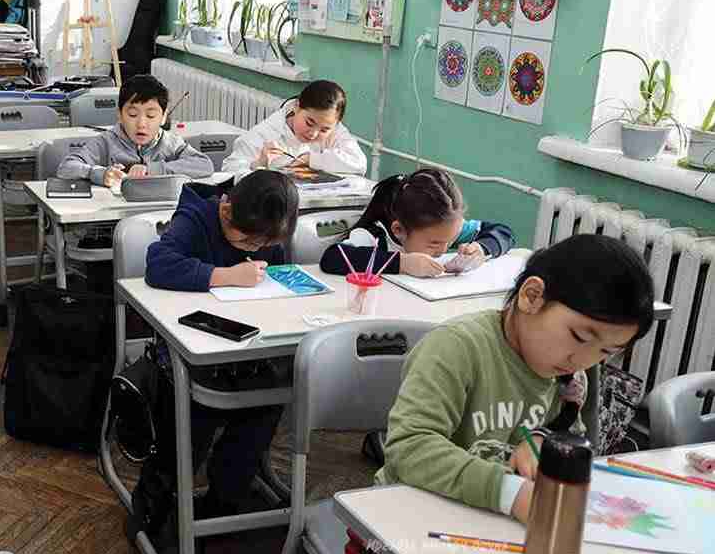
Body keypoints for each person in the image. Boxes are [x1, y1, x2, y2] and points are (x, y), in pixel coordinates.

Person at [378, 233, 654, 521]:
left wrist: (542, 439)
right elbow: (409, 448)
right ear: (531, 296)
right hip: (407, 515)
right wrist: (507, 492)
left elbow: (572, 436)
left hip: (492, 520)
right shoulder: (455, 347)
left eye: (606, 351)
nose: (583, 360)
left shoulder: (570, 373)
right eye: (579, 336)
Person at [129, 170, 300, 548]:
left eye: (267, 243)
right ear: (225, 210)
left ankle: (226, 497)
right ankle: (158, 499)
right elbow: (159, 265)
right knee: (192, 426)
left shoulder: (266, 228)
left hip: (250, 348)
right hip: (189, 352)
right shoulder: (196, 217)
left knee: (265, 409)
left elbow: (279, 278)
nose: (258, 248)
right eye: (249, 241)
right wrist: (226, 275)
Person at [319, 168, 514, 277]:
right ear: (399, 230)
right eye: (434, 244)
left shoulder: (443, 231)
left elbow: (504, 232)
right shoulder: (375, 236)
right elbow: (332, 258)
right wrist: (402, 263)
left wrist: (481, 249)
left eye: (451, 240)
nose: (443, 250)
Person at [56, 74, 213, 186]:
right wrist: (98, 173)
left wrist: (153, 169)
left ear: (164, 117)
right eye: (132, 114)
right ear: (120, 114)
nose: (141, 124)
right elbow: (66, 167)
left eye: (151, 116)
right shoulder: (106, 142)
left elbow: (204, 165)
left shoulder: (171, 143)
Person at [222, 80, 366, 177]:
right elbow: (229, 173)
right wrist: (259, 165)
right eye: (309, 123)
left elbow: (359, 163)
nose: (313, 134)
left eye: (324, 130)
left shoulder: (332, 127)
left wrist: (312, 159)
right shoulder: (263, 134)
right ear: (296, 106)